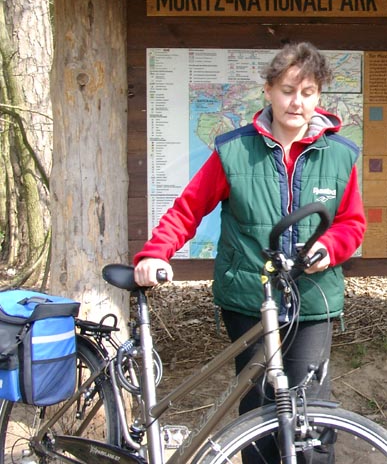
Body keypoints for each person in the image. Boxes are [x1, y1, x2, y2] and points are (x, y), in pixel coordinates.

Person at [134, 42, 365, 463]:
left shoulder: (341, 155)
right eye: (288, 90)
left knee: (312, 417)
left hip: (312, 301)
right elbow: (188, 210)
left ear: (319, 97)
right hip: (249, 300)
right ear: (268, 91)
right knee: (259, 410)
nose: (297, 102)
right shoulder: (234, 150)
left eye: (308, 92)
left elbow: (352, 224)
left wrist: (330, 249)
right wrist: (155, 252)